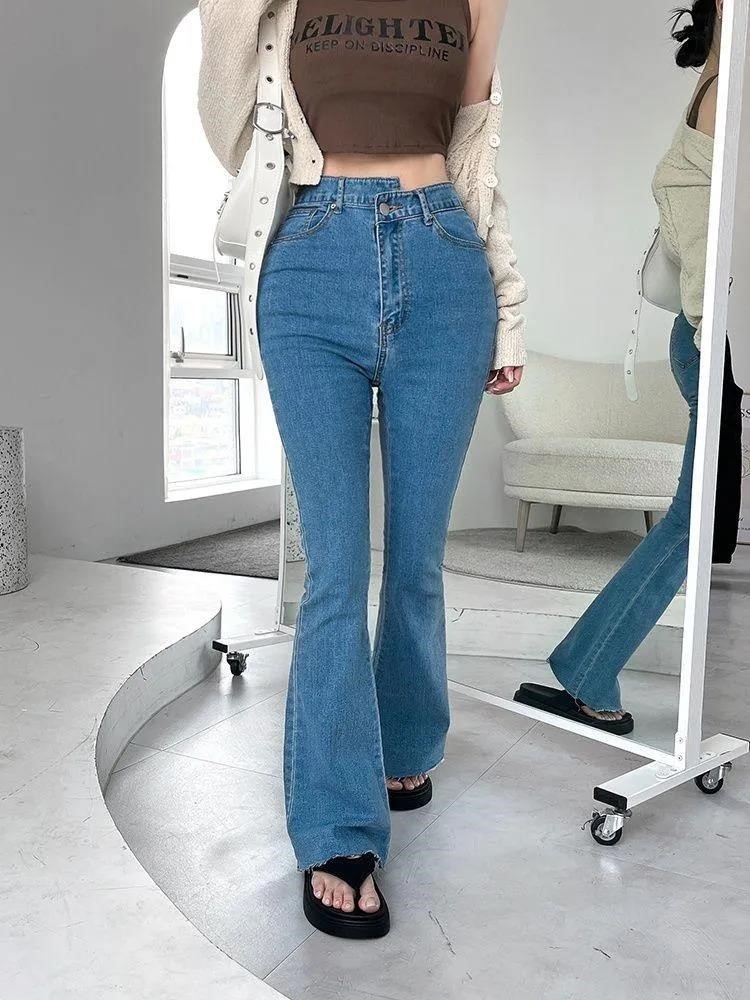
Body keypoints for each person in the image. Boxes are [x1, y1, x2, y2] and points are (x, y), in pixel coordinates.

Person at [198, 0, 527, 938]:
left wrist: (508, 307)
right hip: (312, 265)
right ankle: (338, 828)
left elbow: (477, 160)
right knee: (337, 570)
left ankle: (405, 739)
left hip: (444, 261)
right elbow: (221, 115)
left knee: (416, 557)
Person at [514, 0, 742, 734]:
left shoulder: (721, 86)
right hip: (710, 339)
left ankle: (585, 662)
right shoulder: (724, 95)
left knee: (694, 525)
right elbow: (708, 247)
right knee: (693, 527)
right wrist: (715, 341)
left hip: (711, 336)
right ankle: (589, 671)